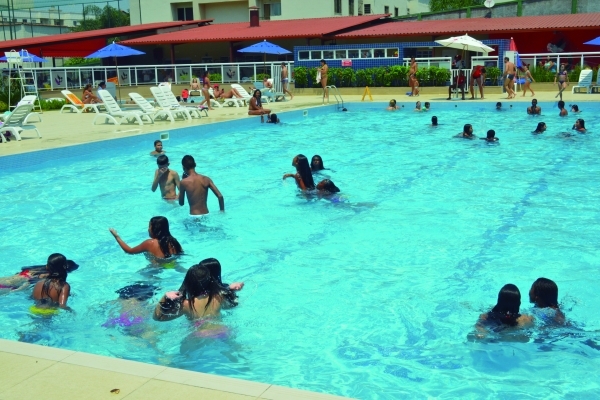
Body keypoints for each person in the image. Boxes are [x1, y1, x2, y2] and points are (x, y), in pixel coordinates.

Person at [153, 262, 226, 321]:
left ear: (188, 283)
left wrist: (165, 296)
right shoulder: (220, 296)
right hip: (222, 332)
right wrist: (229, 288)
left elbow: (158, 318)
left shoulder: (186, 305)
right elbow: (231, 305)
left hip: (200, 335)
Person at [110, 216, 183, 261]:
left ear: (155, 229)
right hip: (173, 264)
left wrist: (116, 236)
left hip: (155, 268)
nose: (148, 229)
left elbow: (129, 251)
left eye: (149, 227)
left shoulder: (149, 243)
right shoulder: (174, 241)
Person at [0, 258, 78, 292]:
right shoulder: (49, 275)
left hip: (7, 279)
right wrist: (17, 291)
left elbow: (23, 269)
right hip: (10, 286)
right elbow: (29, 282)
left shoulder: (40, 267)